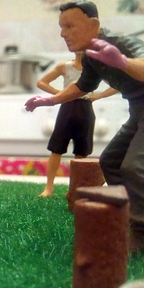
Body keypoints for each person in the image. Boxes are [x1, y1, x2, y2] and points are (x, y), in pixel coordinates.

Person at [25, 0, 144, 253]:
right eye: (61, 27)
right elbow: (83, 86)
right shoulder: (90, 57)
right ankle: (124, 215)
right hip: (140, 113)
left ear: (93, 25)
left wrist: (122, 61)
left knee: (136, 167)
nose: (63, 33)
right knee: (111, 161)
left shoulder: (122, 43)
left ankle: (143, 233)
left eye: (69, 26)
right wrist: (51, 100)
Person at [35, 51, 117, 197]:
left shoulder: (95, 67)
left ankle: (75, 187)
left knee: (81, 152)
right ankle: (49, 187)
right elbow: (41, 82)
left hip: (85, 109)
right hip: (67, 108)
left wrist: (97, 96)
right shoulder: (64, 66)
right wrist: (61, 94)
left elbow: (117, 85)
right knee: (56, 149)